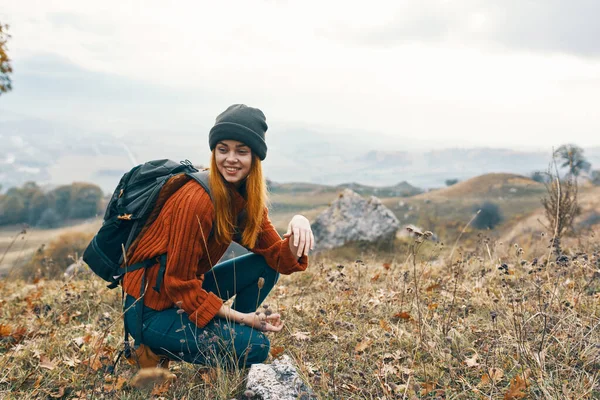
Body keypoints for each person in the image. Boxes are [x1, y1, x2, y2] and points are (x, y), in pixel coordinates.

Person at [122, 104, 314, 370]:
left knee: (263, 266)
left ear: (255, 158)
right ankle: (154, 347)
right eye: (223, 149)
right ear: (214, 152)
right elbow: (180, 287)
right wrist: (244, 318)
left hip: (181, 296)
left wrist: (299, 223)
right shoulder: (197, 200)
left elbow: (279, 259)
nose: (231, 159)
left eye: (241, 151)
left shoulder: (241, 199)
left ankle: (232, 337)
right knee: (256, 348)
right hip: (150, 312)